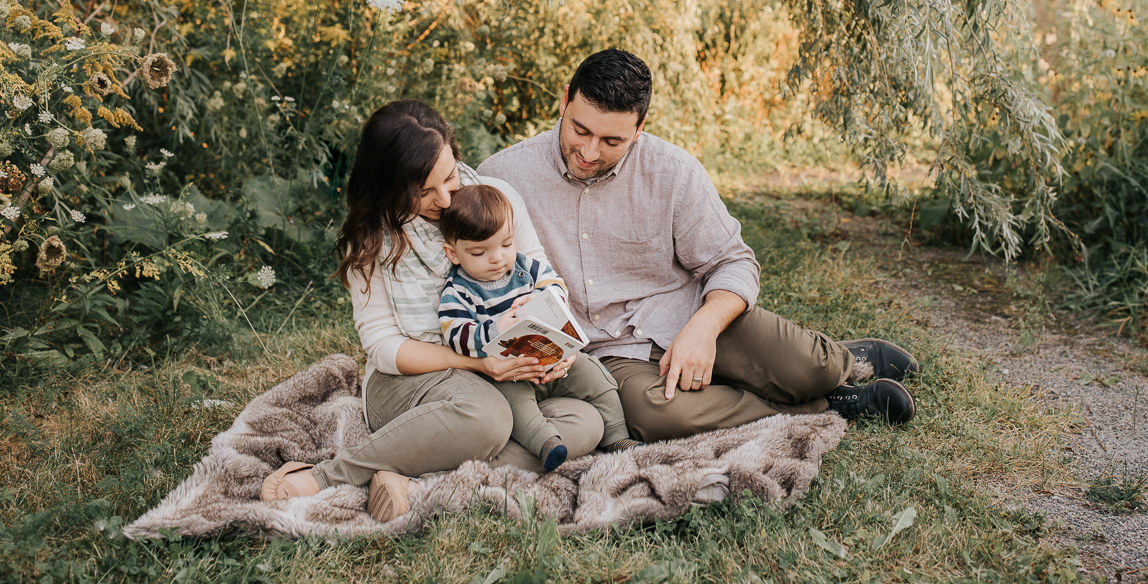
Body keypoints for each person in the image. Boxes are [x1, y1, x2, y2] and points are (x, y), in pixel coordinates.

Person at [479, 49, 918, 444]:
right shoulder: (502, 177)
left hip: (685, 313)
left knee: (810, 368)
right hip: (603, 354)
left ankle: (842, 359)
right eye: (580, 130)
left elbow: (734, 261)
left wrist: (704, 329)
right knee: (655, 417)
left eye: (612, 141)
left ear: (640, 127)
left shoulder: (674, 172)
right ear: (564, 100)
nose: (590, 152)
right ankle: (827, 405)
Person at [260, 100, 605, 521]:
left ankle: (411, 479)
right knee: (488, 418)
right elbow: (384, 346)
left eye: (450, 176)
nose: (444, 198)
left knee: (586, 422)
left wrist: (553, 349)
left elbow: (544, 280)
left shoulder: (496, 199)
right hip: (413, 377)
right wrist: (480, 364)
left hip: (505, 370)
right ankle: (329, 476)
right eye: (422, 191)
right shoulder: (372, 241)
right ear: (390, 187)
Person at [437, 184, 639, 470]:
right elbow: (456, 335)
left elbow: (555, 283)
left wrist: (544, 298)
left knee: (594, 374)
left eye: (506, 244)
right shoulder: (458, 291)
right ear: (453, 253)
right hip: (508, 373)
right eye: (479, 252)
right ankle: (546, 444)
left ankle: (618, 437)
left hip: (548, 356)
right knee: (516, 406)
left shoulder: (523, 267)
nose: (497, 258)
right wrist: (496, 328)